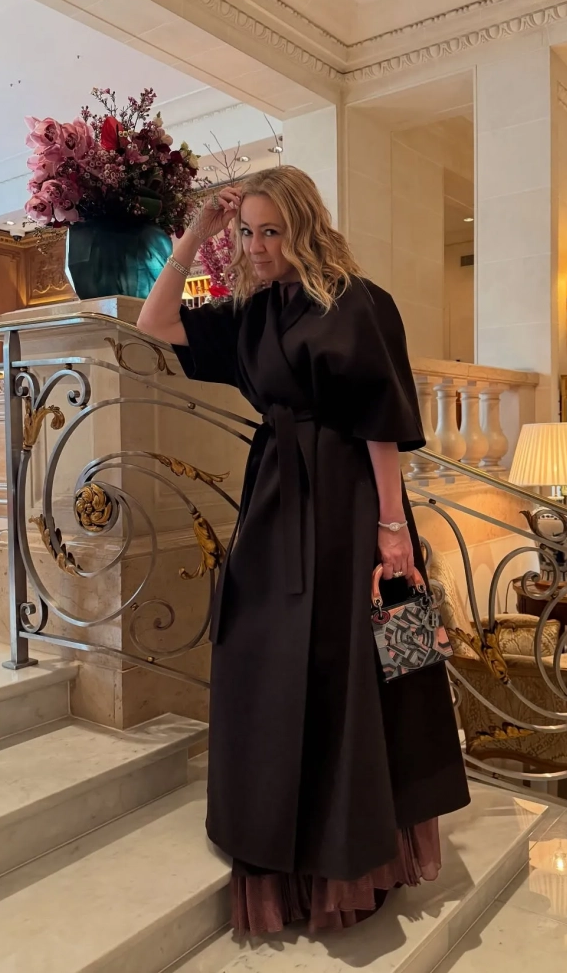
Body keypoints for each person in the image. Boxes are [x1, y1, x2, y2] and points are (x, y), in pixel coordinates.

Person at [137, 166, 469, 937]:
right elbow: (156, 322)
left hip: (349, 500)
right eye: (247, 232)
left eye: (271, 231)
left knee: (350, 663)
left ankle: (353, 849)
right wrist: (195, 234)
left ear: (304, 227)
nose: (256, 247)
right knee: (261, 655)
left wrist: (394, 529)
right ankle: (272, 832)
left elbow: (380, 422)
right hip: (275, 497)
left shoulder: (360, 301)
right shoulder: (251, 310)